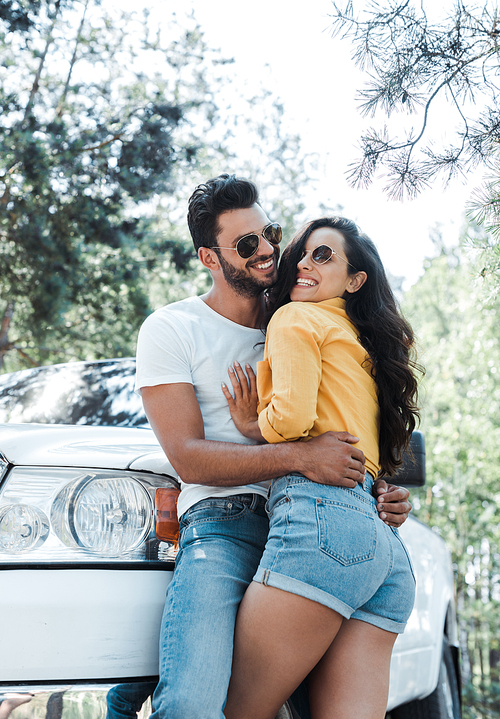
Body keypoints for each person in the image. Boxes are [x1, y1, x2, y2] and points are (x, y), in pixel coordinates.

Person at [133, 175, 412, 719]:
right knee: (190, 703)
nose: (267, 251)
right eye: (246, 244)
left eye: (271, 234)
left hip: (319, 520)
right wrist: (300, 456)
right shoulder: (172, 329)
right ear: (208, 257)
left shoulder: (305, 313)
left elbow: (348, 422)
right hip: (226, 523)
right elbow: (188, 457)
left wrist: (379, 488)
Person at [222, 217, 421, 719]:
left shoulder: (295, 318)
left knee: (237, 710)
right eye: (304, 254)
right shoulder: (360, 346)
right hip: (384, 554)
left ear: (355, 281)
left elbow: (290, 418)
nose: (306, 264)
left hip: (323, 529)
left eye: (324, 256)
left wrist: (251, 424)